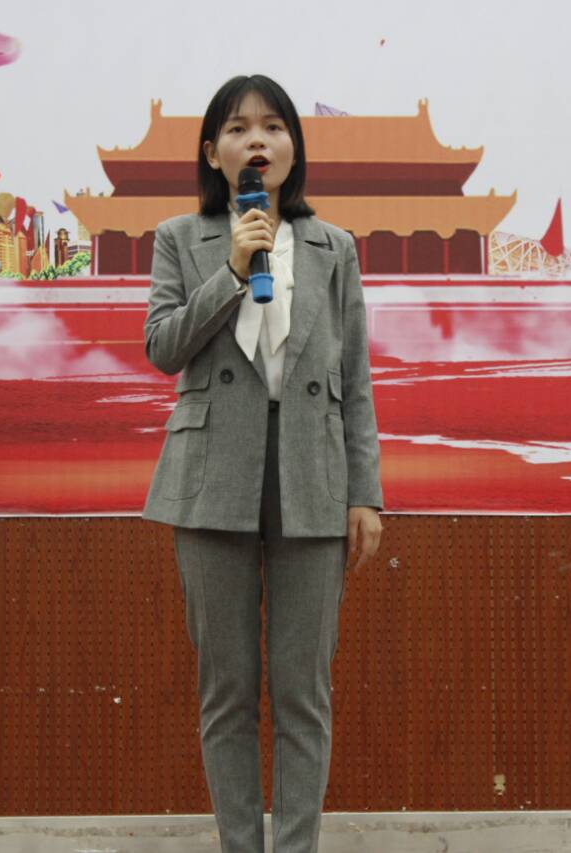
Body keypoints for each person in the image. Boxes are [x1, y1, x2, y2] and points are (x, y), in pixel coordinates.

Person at [140, 74, 383, 853]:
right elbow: (162, 346)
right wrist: (234, 272)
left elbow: (355, 380)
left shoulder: (333, 247)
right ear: (212, 151)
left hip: (313, 474)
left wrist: (365, 492)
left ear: (293, 149)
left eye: (274, 126)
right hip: (212, 474)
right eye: (239, 128)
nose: (257, 140)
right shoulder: (181, 238)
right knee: (228, 691)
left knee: (303, 692)